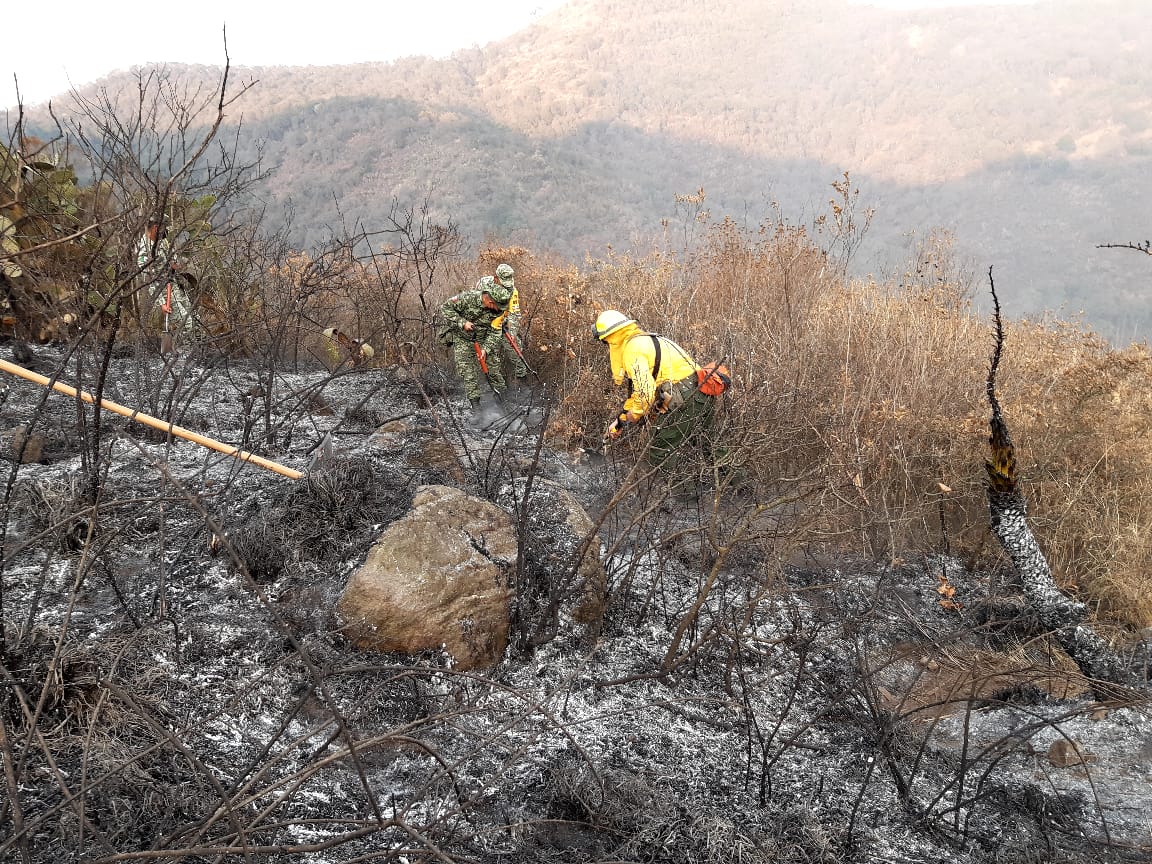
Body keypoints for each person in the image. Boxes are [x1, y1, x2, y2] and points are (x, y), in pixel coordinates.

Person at [592, 309, 725, 470]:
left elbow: (645, 394)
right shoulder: (645, 340)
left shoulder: (632, 350)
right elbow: (641, 390)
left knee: (660, 452)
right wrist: (620, 421)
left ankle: (684, 496)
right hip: (701, 393)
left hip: (685, 397)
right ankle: (743, 488)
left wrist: (632, 416)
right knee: (709, 445)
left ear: (611, 339)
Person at [439, 276, 513, 419]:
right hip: (463, 339)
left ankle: (505, 404)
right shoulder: (468, 298)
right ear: (490, 301)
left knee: (494, 372)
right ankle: (477, 409)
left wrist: (486, 349)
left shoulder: (498, 312)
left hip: (484, 340)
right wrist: (462, 322)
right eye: (499, 306)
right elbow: (445, 308)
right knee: (468, 374)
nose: (500, 310)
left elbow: (495, 331)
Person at [136, 218, 193, 341]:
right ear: (156, 228)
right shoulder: (144, 249)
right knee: (186, 322)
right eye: (163, 228)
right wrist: (162, 303)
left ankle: (196, 349)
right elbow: (148, 279)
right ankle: (182, 353)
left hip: (174, 285)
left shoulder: (163, 242)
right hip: (162, 290)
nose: (165, 231)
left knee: (193, 317)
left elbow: (175, 261)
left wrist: (176, 263)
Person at [487, 263, 529, 390]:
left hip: (504, 324)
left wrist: (512, 333)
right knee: (490, 357)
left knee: (515, 350)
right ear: (496, 278)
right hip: (487, 326)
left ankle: (523, 384)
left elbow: (515, 314)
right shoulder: (484, 285)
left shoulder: (513, 291)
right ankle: (500, 389)